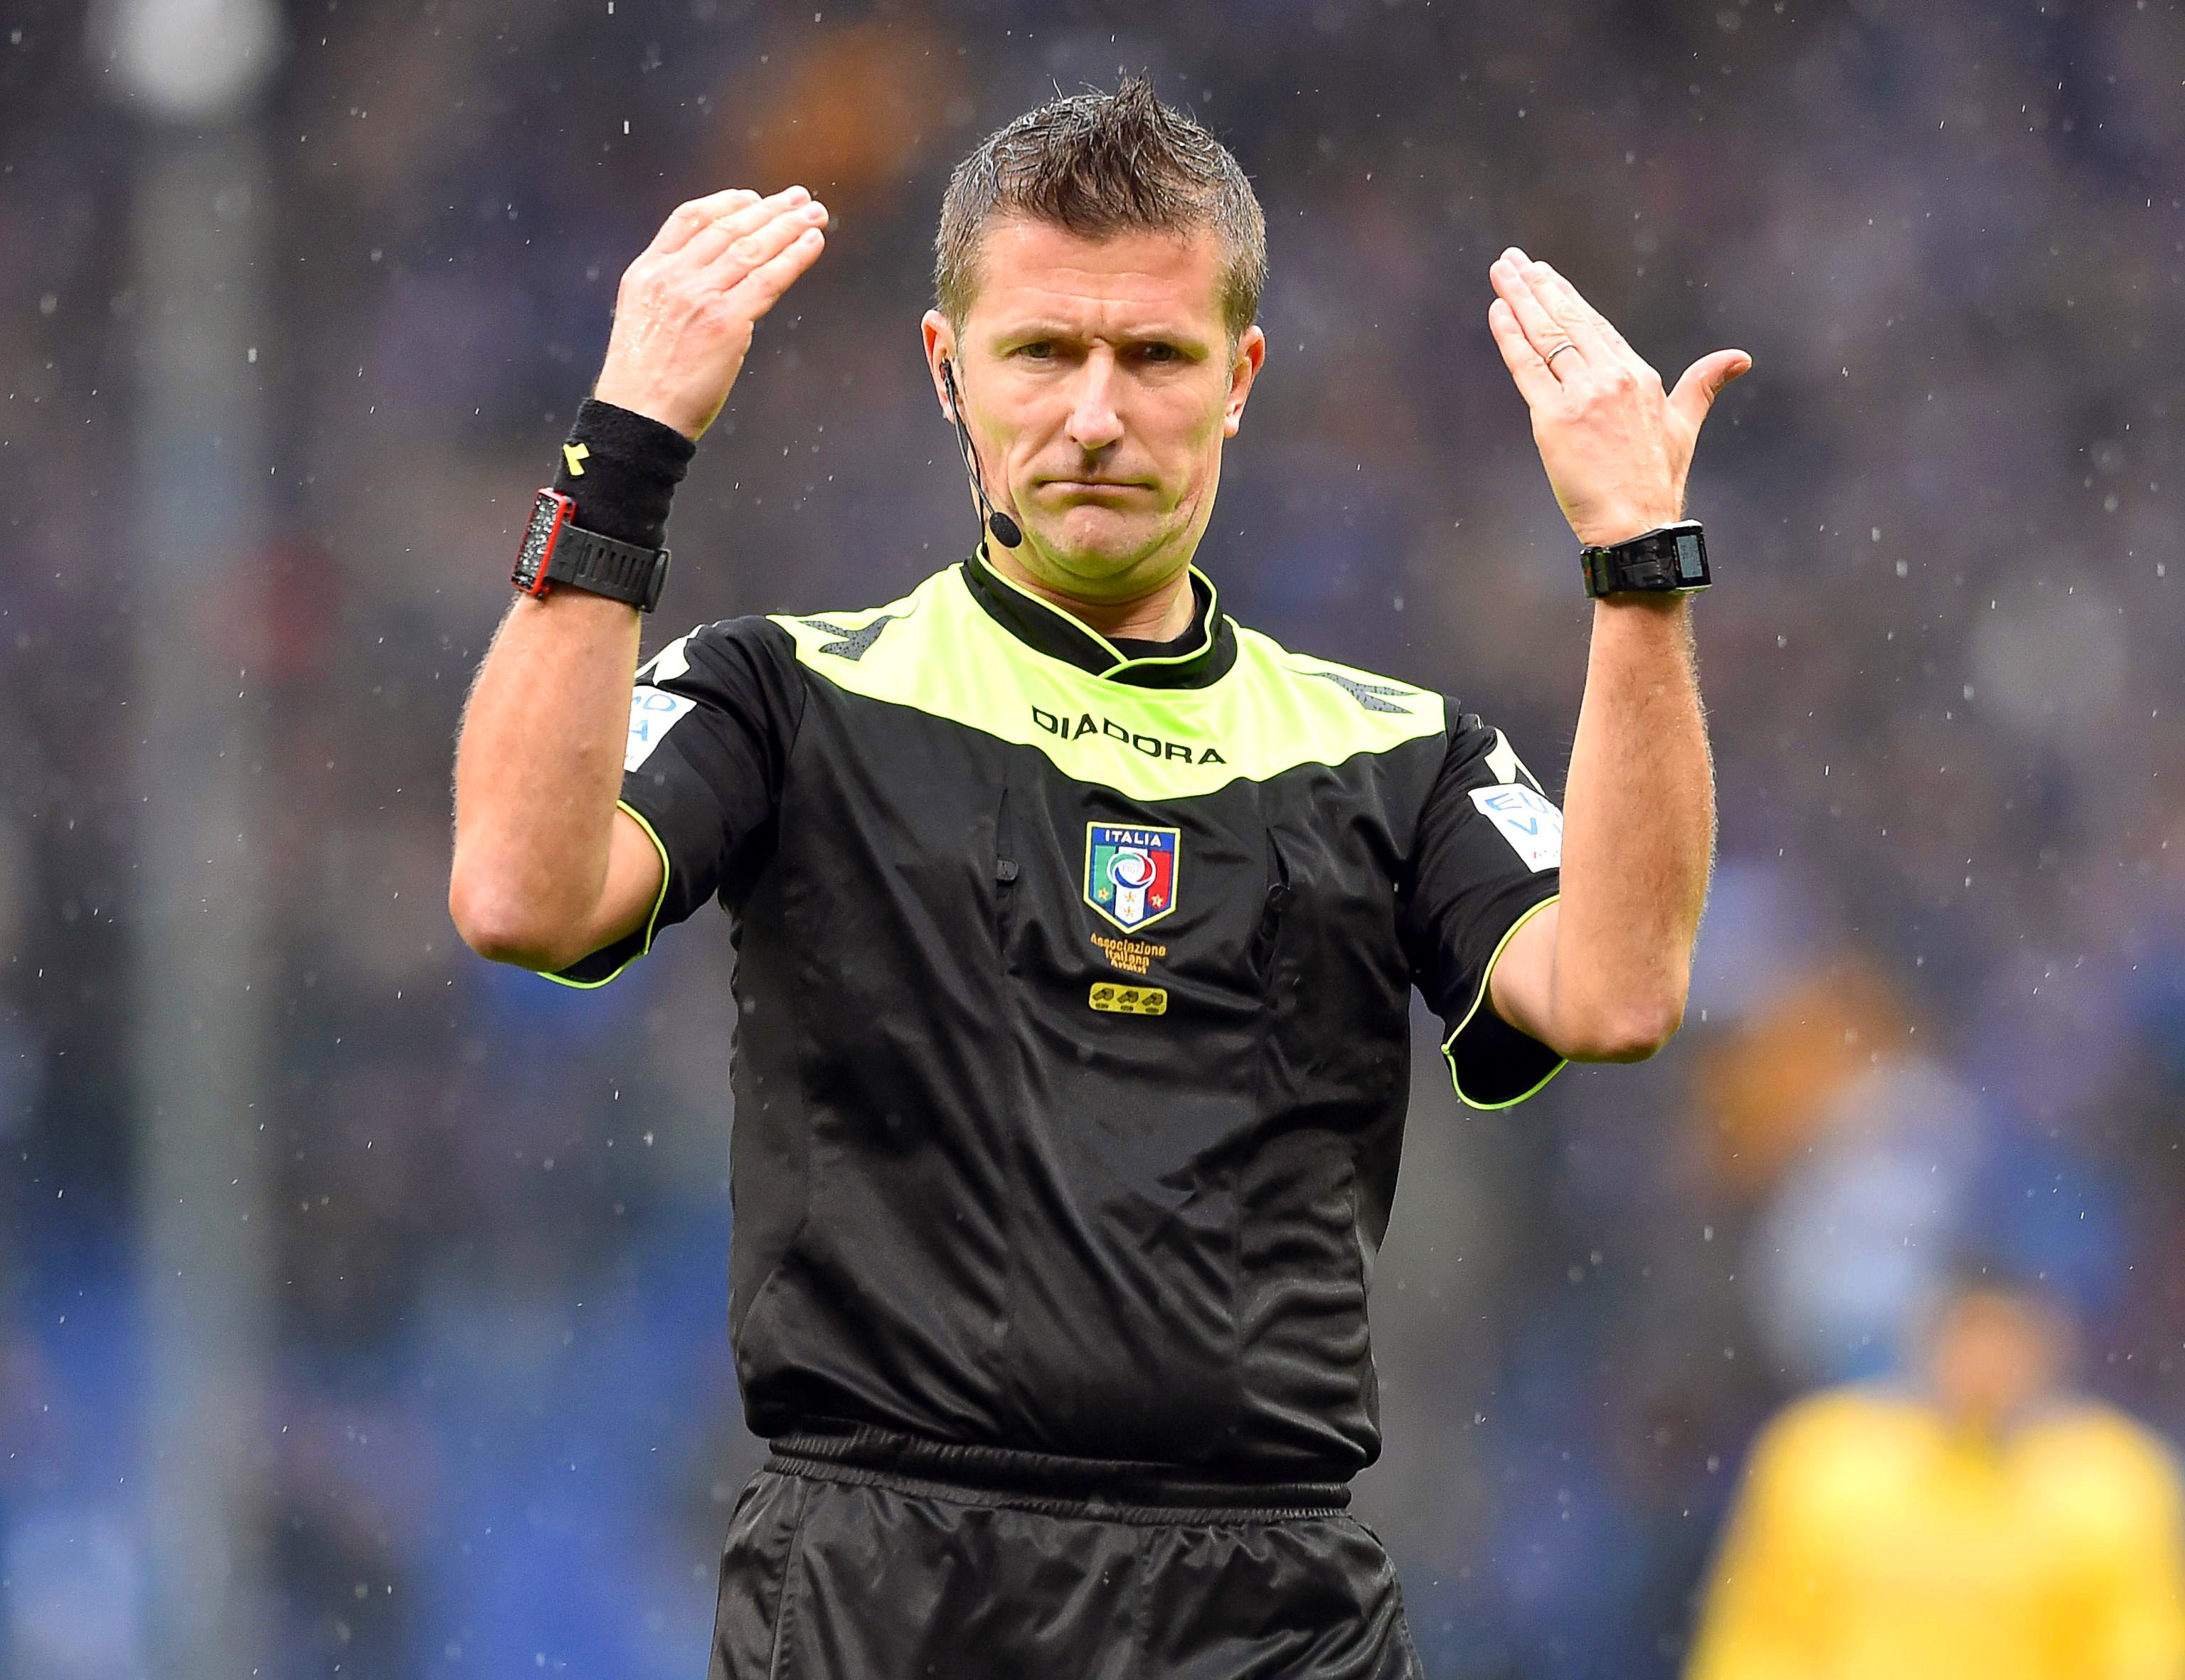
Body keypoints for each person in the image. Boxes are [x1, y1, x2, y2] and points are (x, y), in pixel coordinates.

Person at [450, 78, 1746, 1680]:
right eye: (1043, 352)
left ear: (1239, 378)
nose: (1094, 415)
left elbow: (1617, 988)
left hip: (1265, 1612)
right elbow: (520, 891)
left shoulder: (1401, 752)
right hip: (875, 1593)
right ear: (949, 369)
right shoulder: (785, 693)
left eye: (1154, 356)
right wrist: (627, 455)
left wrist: (1637, 566)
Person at [1686, 1267, 2185, 1680]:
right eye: (1970, 1339)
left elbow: (2142, 1651)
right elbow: (1760, 1635)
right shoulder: (1826, 1460)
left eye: (2006, 1343)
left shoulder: (2112, 1481)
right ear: (1926, 1344)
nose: (1985, 1366)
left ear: (2048, 1353)